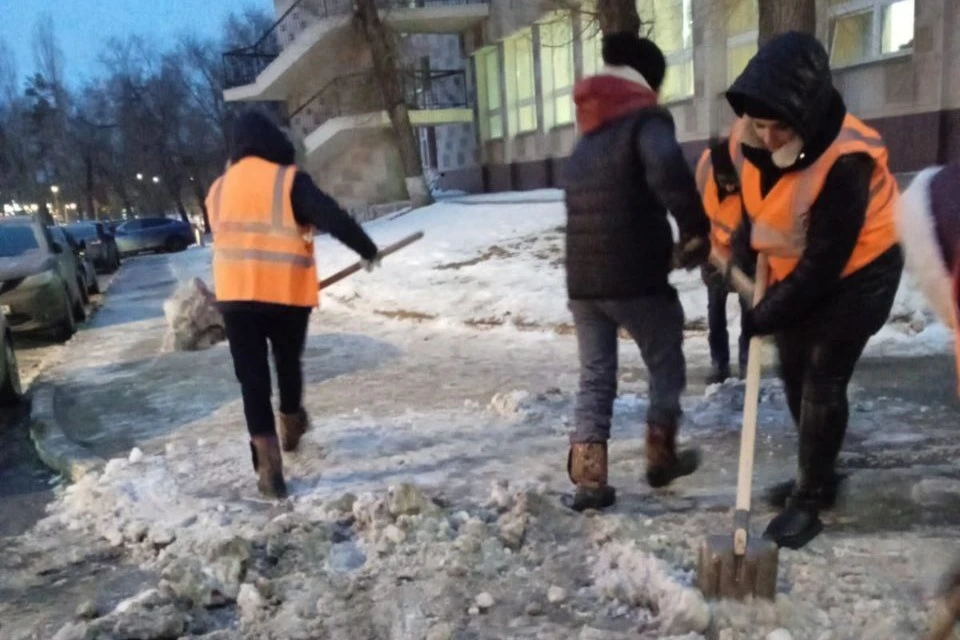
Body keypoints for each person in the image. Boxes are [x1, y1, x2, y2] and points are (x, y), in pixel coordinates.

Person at [724, 32, 903, 549]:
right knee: (794, 368)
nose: (770, 137)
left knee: (823, 375)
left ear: (806, 116)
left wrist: (765, 314)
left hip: (864, 269)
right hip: (799, 266)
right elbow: (759, 209)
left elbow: (825, 266)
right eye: (761, 126)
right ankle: (817, 473)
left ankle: (810, 500)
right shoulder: (752, 139)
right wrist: (742, 247)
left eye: (782, 127)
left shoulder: (846, 161)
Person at [561, 32, 711, 512]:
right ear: (649, 82)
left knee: (596, 375)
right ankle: (659, 454)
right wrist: (694, 229)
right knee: (664, 355)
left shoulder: (588, 131)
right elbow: (666, 168)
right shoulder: (645, 120)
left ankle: (589, 480)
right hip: (634, 274)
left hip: (584, 282)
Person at [206, 110, 380, 499]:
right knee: (286, 363)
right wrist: (366, 249)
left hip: (235, 298)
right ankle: (291, 423)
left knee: (252, 382)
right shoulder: (287, 181)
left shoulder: (217, 189)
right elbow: (330, 215)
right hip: (284, 295)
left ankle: (268, 469)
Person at [695, 139, 749, 383]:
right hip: (714, 255)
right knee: (715, 310)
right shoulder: (705, 182)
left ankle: (748, 363)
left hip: (744, 254)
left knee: (750, 311)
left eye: (733, 180)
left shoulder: (751, 184)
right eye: (724, 180)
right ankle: (720, 362)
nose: (729, 185)